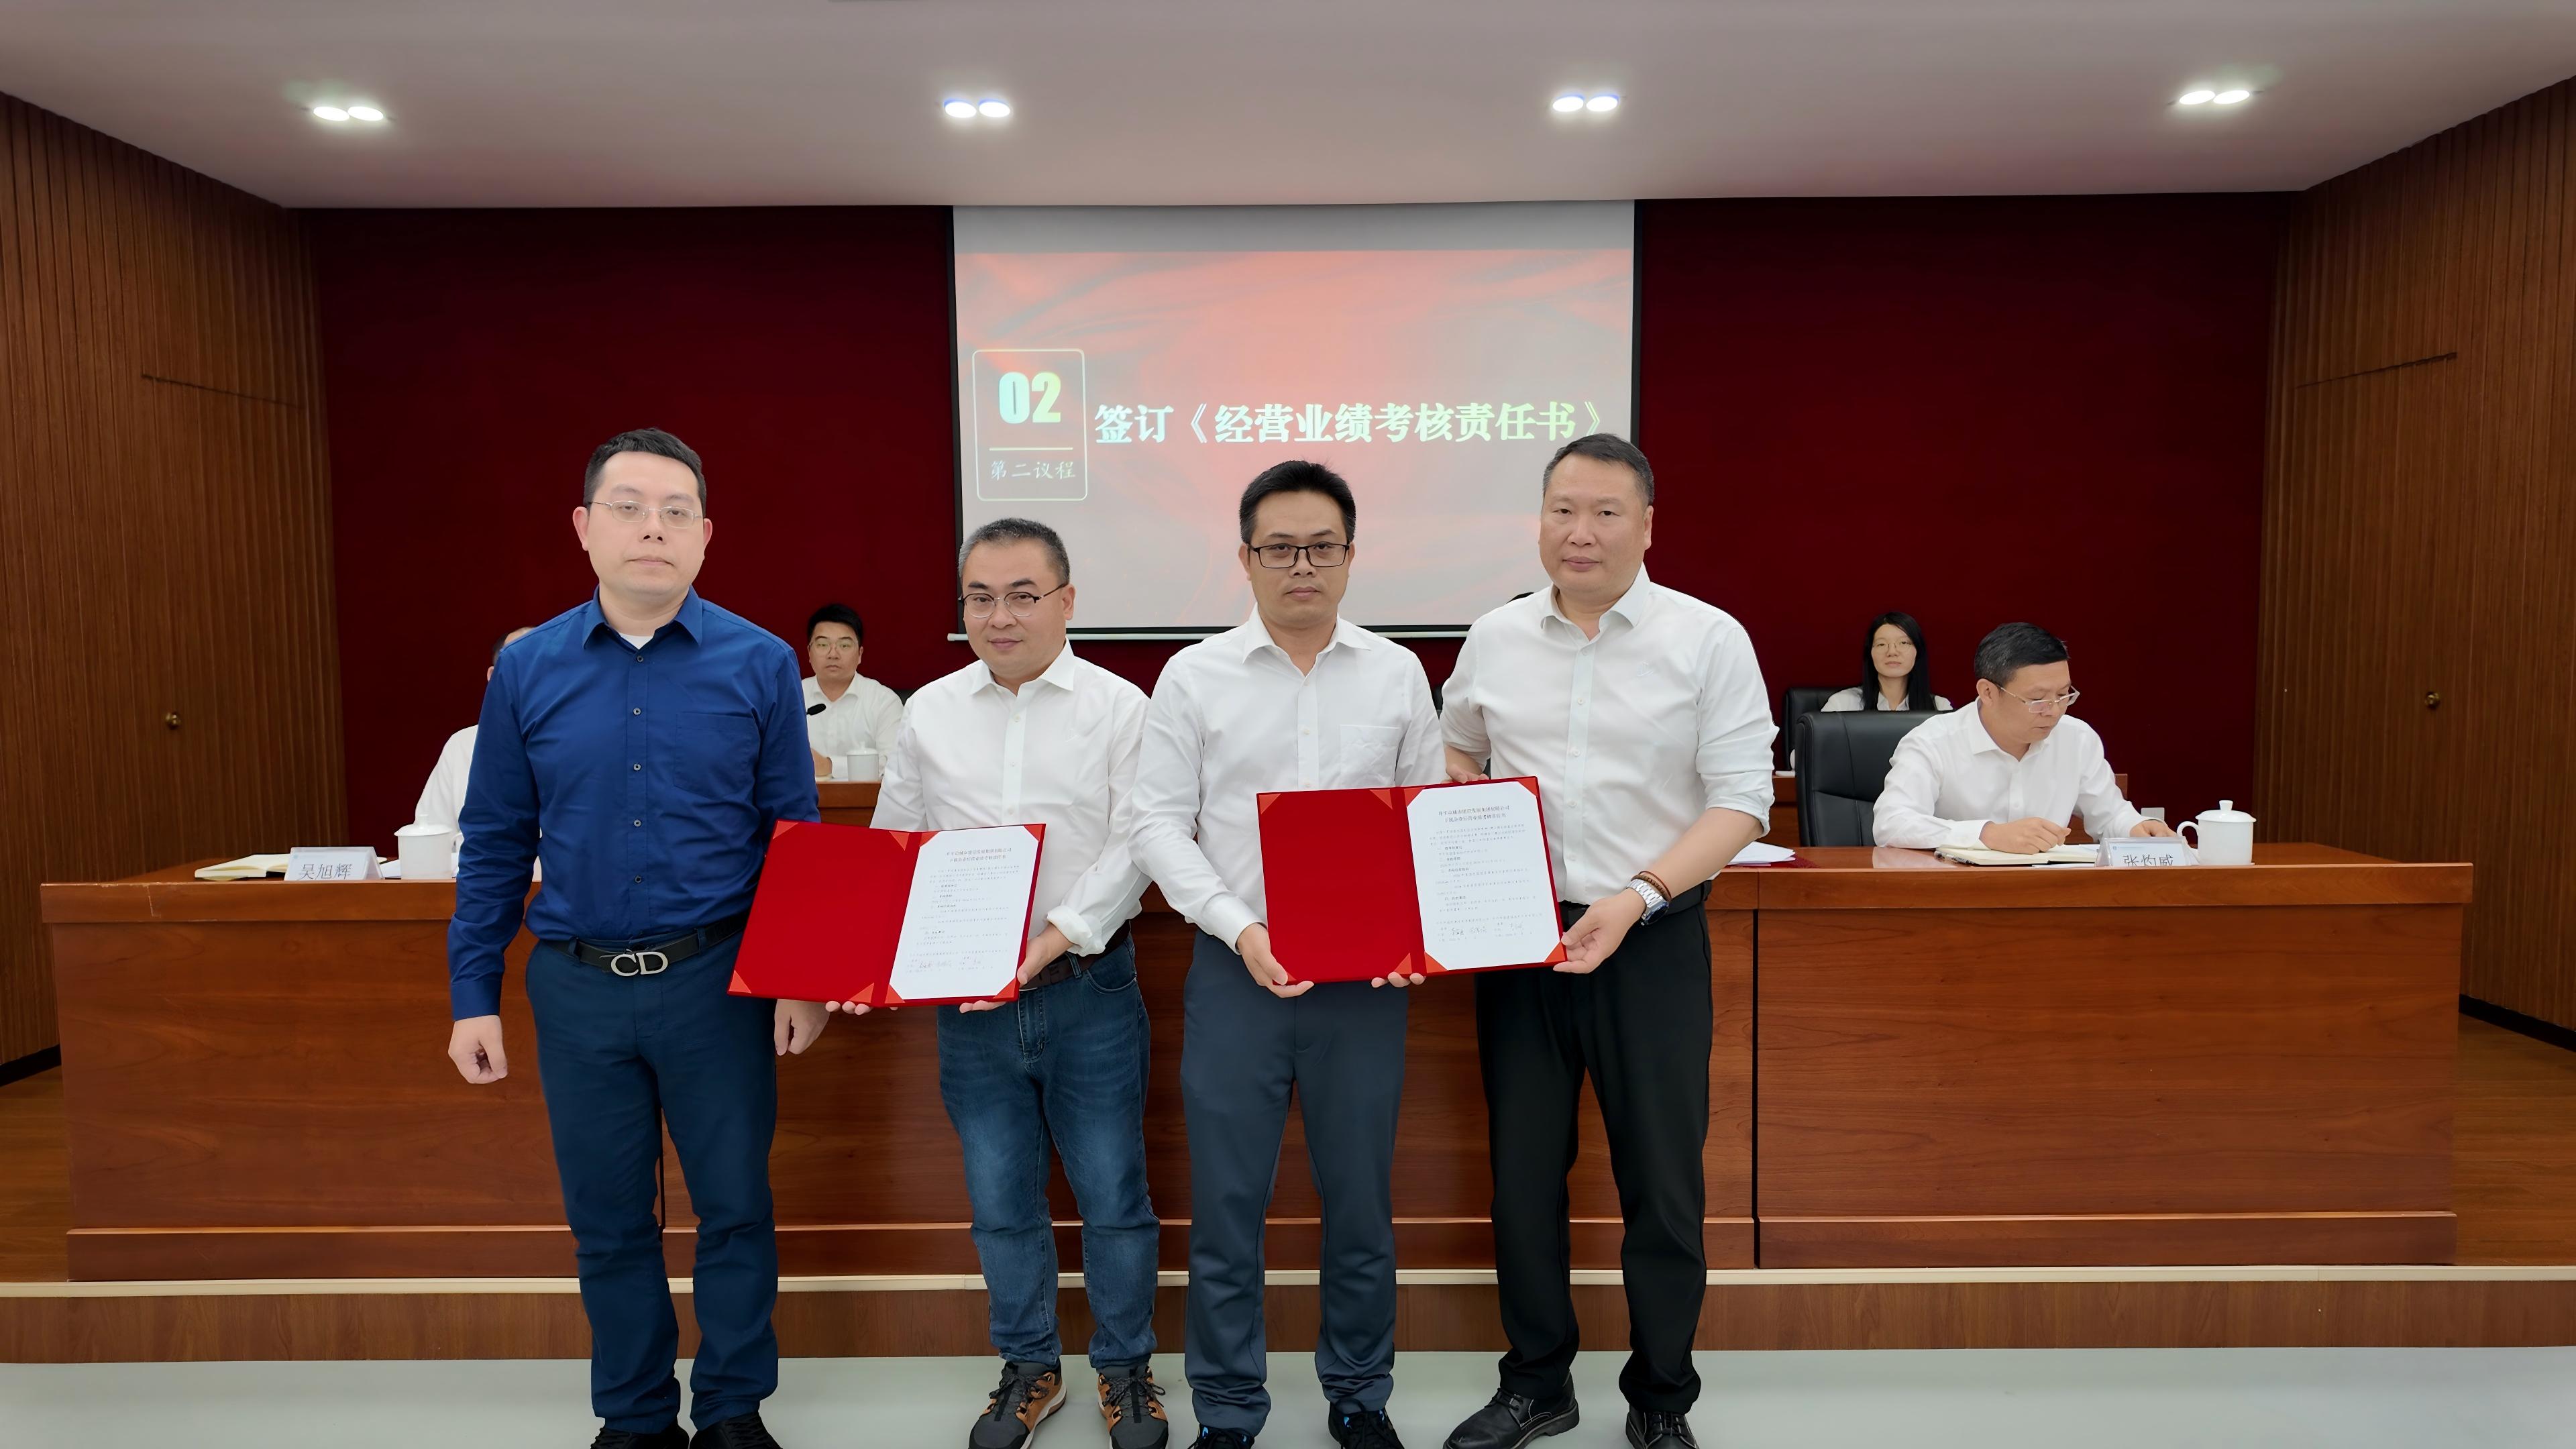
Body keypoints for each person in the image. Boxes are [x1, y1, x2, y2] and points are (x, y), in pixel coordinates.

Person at [443, 427, 829, 1449]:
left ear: (705, 535)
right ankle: (635, 1414)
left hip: (718, 982)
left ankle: (734, 1409)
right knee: (609, 1219)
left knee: (735, 1207)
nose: (652, 528)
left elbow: (793, 836)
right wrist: (472, 995)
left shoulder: (761, 662)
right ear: (584, 527)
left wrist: (802, 976)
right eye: (628, 508)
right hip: (577, 989)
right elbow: (495, 840)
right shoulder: (526, 669)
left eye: (675, 512)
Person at [1437, 434, 1772, 1449]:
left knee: (1662, 1185)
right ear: (1539, 520)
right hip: (1521, 942)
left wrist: (1635, 896)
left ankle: (1662, 1398)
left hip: (1651, 936)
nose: (1580, 533)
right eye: (1563, 511)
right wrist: (1470, 825)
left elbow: (1743, 802)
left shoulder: (1707, 639)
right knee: (1522, 1180)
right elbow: (1459, 747)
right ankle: (1537, 1383)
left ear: (1648, 525)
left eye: (1605, 512)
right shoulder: (1495, 636)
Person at [1130, 460, 1441, 1449]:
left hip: (1364, 983)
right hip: (1238, 972)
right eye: (1279, 548)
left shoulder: (1396, 673)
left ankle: (1359, 1393)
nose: (1300, 565)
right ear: (1245, 558)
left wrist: (1414, 935)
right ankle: (1227, 1407)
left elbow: (1425, 821)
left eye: (1320, 547)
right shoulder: (1195, 676)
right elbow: (1156, 824)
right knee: (1228, 1205)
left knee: (1361, 1201)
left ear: (1350, 556)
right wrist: (1239, 925)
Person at [843, 518, 1166, 1449]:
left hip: (1089, 987)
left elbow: (1137, 847)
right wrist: (864, 962)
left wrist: (1049, 944)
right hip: (968, 1005)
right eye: (980, 597)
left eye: (1024, 595)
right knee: (999, 1201)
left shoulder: (1121, 708)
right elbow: (897, 850)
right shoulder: (931, 712)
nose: (1001, 616)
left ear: (1067, 601)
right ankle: (1030, 1368)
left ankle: (1125, 1369)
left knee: (1114, 1195)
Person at [1874, 621, 2177, 851]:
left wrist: (2137, 826)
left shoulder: (2077, 739)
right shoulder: (1932, 742)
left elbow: (2110, 815)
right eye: (2037, 700)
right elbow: (1892, 824)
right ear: (1988, 693)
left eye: (2063, 695)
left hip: (2049, 894)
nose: (2054, 711)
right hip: (1957, 893)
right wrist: (1986, 834)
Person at [411, 625, 535, 839]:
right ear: (493, 677)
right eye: (517, 667)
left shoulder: (582, 742)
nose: (530, 678)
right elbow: (431, 833)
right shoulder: (462, 745)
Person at [802, 602, 903, 779]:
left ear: (860, 654)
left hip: (869, 797)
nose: (833, 654)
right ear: (809, 653)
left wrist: (830, 766)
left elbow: (895, 764)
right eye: (823, 645)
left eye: (844, 645)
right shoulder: (791, 697)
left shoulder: (884, 701)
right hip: (800, 796)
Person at [1821, 612, 1950, 713]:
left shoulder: (1940, 708)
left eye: (1903, 643)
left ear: (1918, 651)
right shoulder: (1842, 705)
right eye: (1881, 644)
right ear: (1870, 653)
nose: (1892, 652)